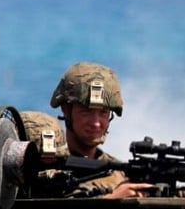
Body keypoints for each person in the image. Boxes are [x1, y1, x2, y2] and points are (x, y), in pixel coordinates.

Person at [48, 62, 153, 199]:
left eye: (103, 113)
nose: (96, 123)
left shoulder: (120, 174)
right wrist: (111, 201)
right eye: (86, 111)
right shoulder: (47, 168)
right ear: (66, 110)